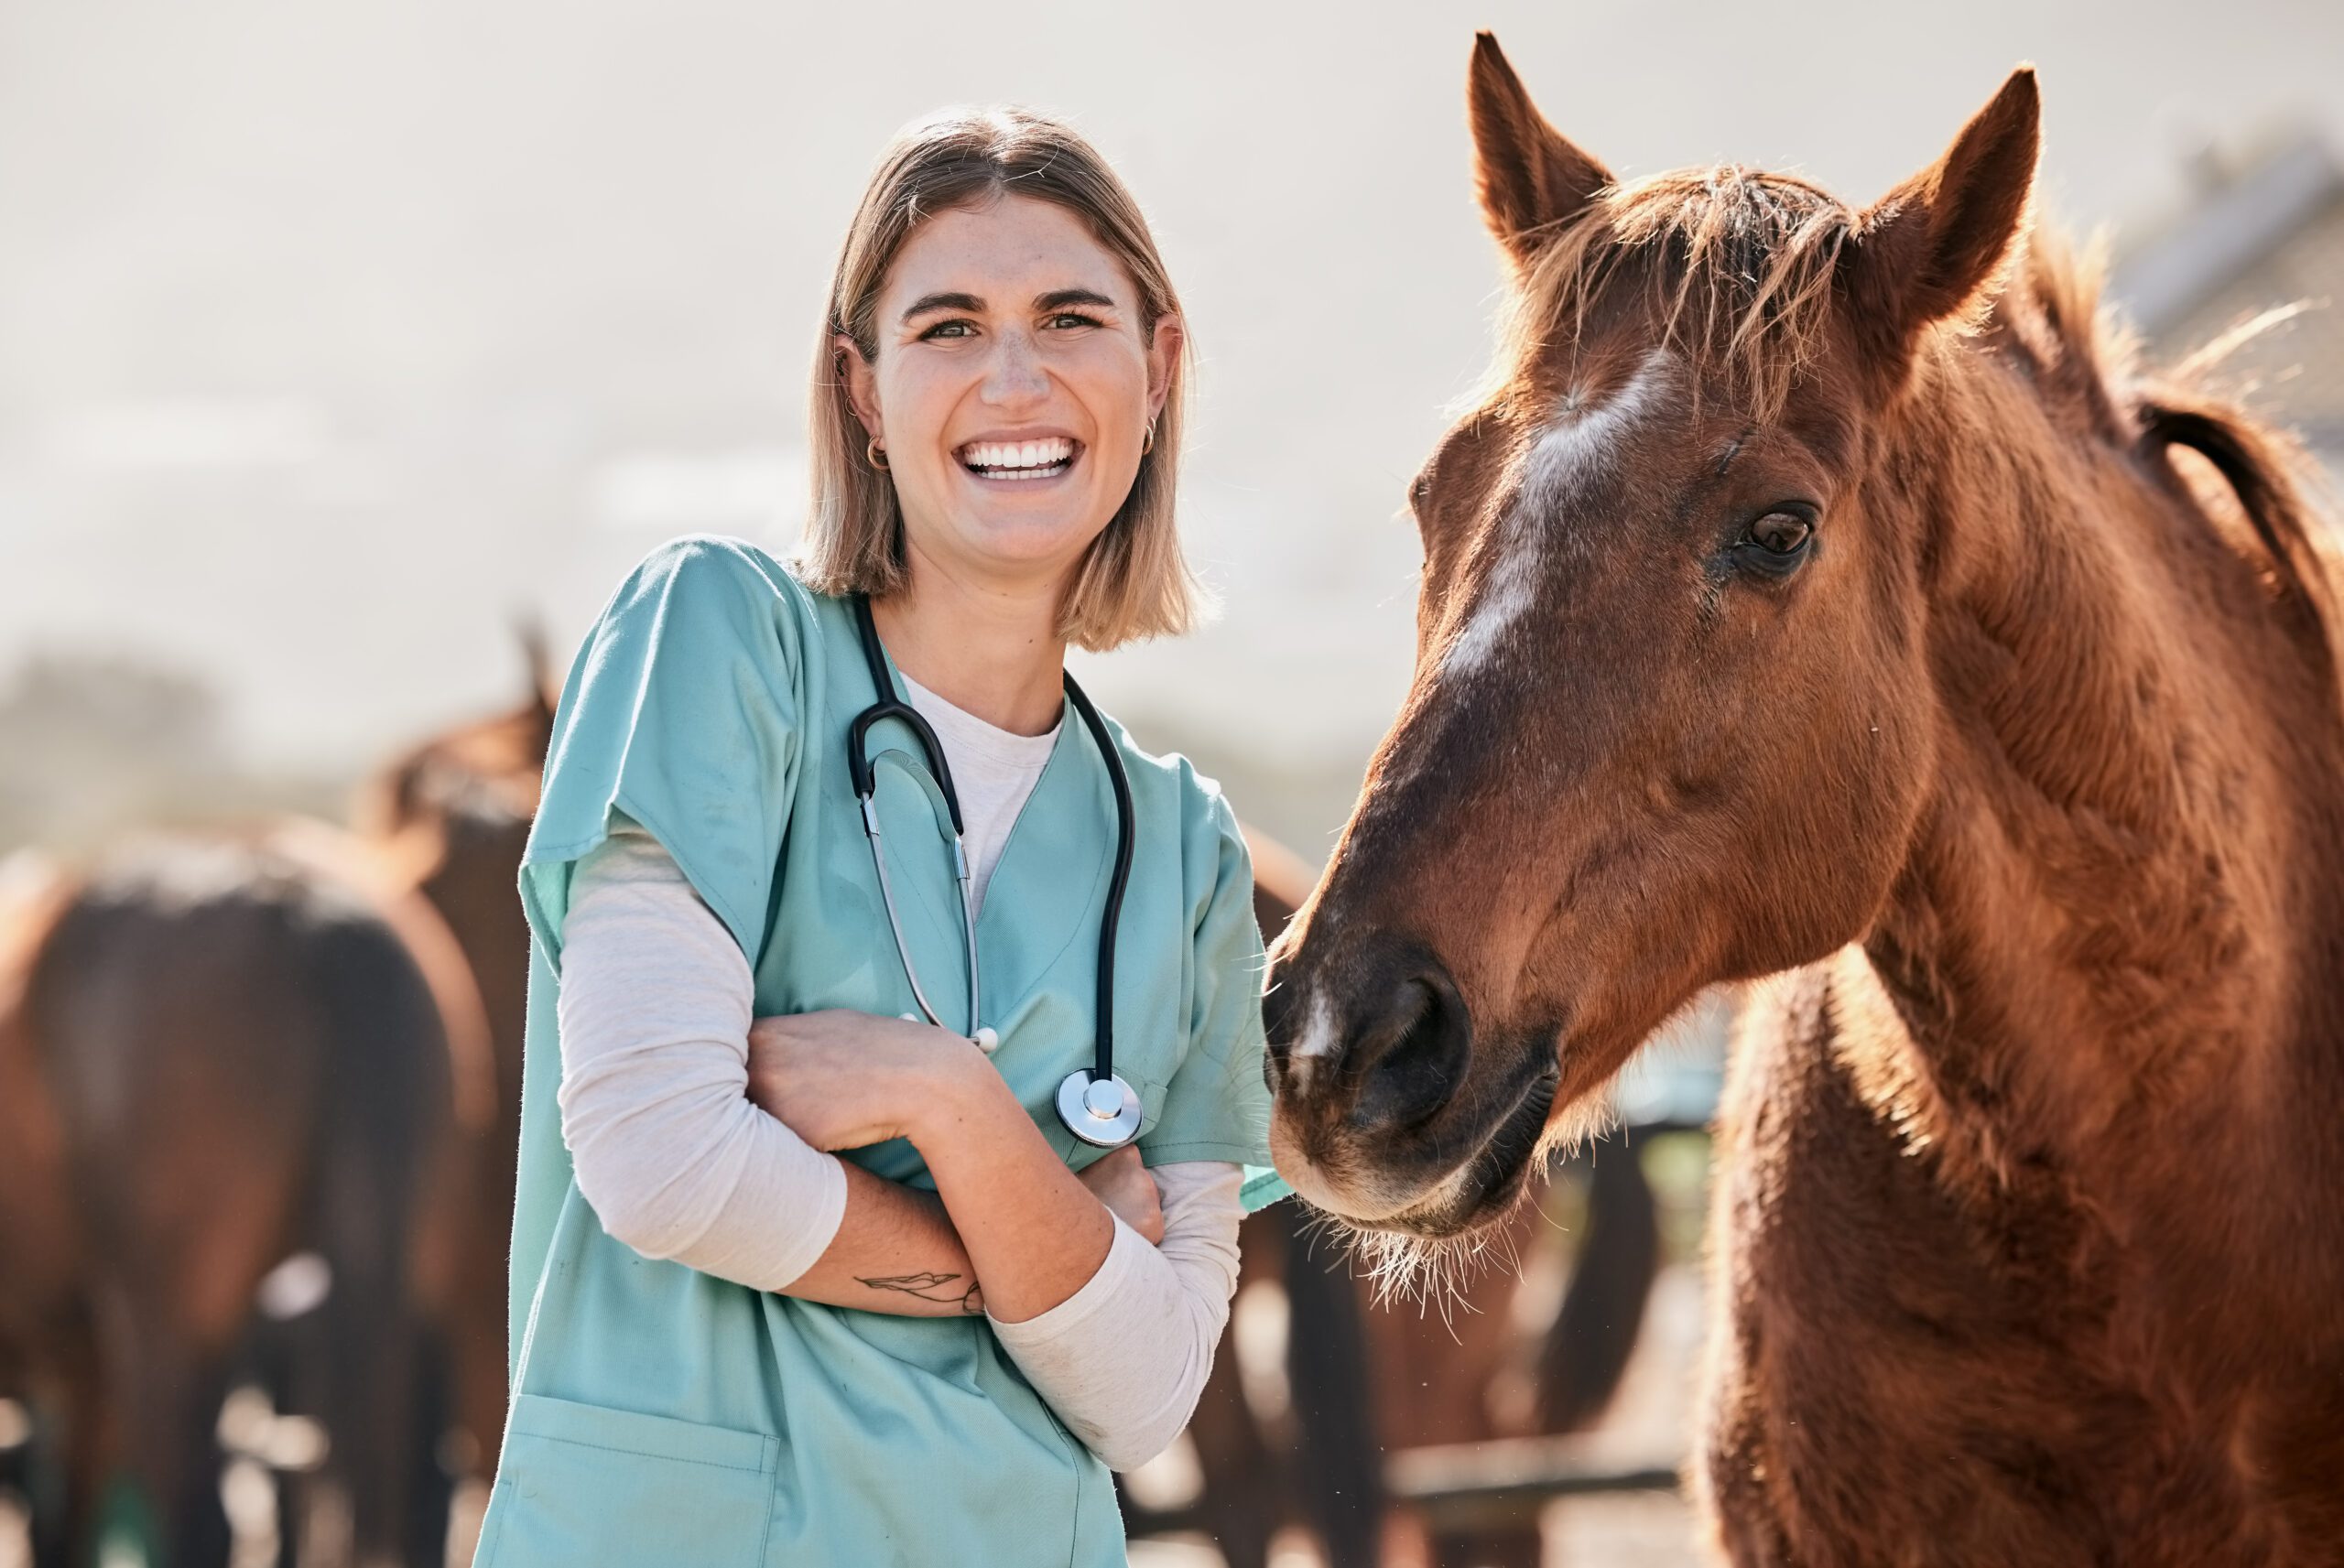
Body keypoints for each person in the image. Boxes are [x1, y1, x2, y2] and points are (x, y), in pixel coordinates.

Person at [476, 103, 1286, 1567]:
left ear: (1157, 368)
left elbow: (1154, 1387)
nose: (1014, 377)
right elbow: (663, 1158)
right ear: (859, 385)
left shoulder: (1187, 853)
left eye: (1071, 317)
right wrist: (1036, 1257)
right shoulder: (716, 637)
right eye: (949, 327)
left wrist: (943, 1102)